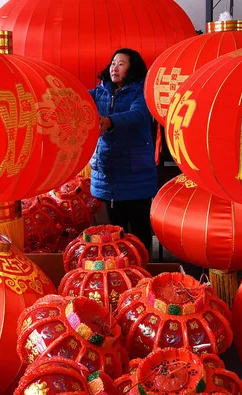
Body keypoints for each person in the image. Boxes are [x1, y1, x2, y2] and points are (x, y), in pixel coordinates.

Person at [89, 48, 157, 253]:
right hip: (109, 168)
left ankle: (144, 268)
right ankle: (119, 271)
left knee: (139, 228)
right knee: (115, 230)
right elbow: (79, 100)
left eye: (121, 63)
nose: (114, 67)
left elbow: (137, 115)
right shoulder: (99, 91)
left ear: (132, 68)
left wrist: (110, 121)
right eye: (112, 63)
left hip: (135, 170)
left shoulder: (141, 92)